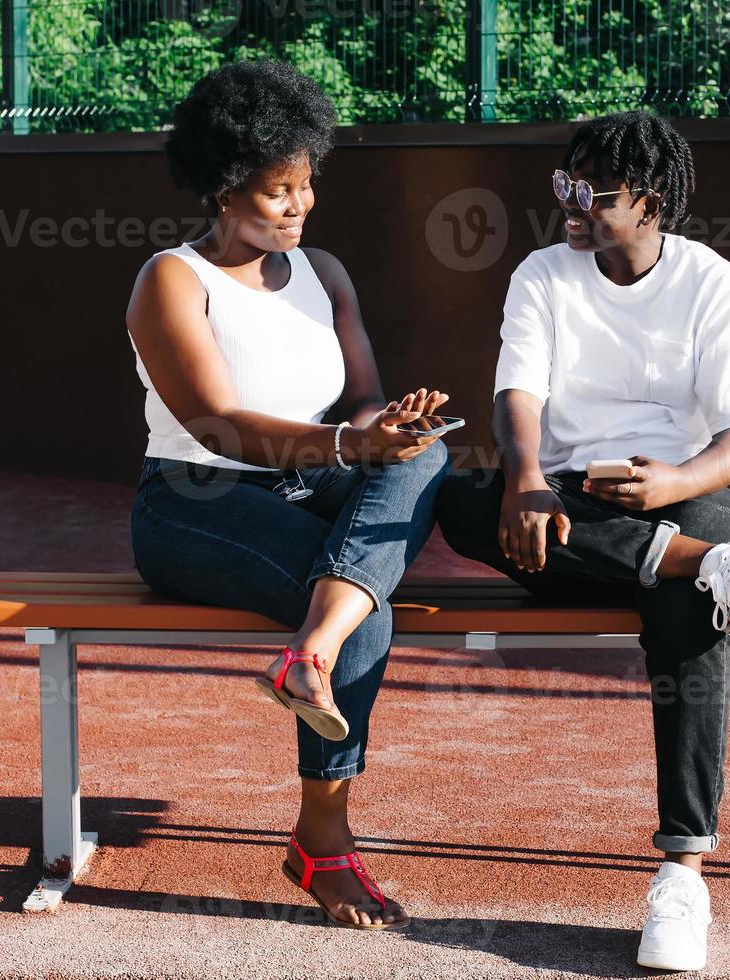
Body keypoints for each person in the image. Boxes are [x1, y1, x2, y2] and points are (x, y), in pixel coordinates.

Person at [436, 110, 730, 970]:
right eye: (565, 182)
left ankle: (682, 875)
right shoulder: (542, 274)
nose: (571, 202)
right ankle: (718, 570)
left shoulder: (717, 287)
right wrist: (525, 479)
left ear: (653, 199)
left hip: (699, 490)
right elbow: (517, 394)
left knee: (683, 603)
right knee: (456, 502)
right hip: (572, 503)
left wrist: (669, 486)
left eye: (594, 189)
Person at [125, 60, 451, 930]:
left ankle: (308, 652)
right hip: (194, 503)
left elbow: (362, 399)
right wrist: (354, 442)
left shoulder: (325, 272)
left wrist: (394, 428)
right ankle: (325, 841)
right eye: (278, 191)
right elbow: (216, 423)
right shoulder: (172, 279)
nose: (300, 205)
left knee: (428, 463)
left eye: (307, 185)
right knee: (361, 605)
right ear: (226, 186)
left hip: (317, 484)